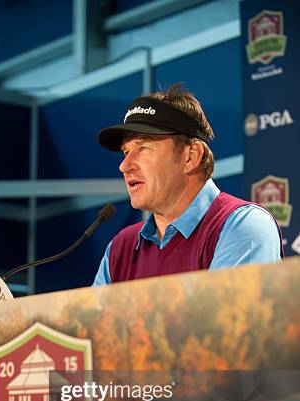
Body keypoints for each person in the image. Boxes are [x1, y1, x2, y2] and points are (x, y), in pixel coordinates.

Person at [93, 84, 283, 286]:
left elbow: (223, 318)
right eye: (125, 152)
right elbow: (89, 318)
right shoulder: (119, 248)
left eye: (143, 148)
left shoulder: (243, 226)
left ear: (190, 156)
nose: (124, 166)